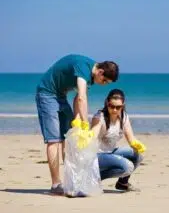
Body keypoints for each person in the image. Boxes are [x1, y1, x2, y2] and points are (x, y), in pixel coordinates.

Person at [35, 54, 119, 194]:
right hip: (46, 94)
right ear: (100, 72)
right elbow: (81, 98)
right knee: (54, 140)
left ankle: (71, 181)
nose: (103, 84)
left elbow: (76, 100)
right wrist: (85, 124)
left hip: (60, 96)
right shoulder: (83, 68)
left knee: (68, 138)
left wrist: (77, 122)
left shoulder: (91, 76)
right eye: (104, 81)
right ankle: (56, 184)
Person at [91, 89, 146, 193]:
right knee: (127, 167)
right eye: (112, 106)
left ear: (123, 105)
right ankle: (94, 178)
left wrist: (137, 144)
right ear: (107, 103)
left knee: (137, 155)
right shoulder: (99, 117)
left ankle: (122, 183)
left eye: (118, 107)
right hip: (97, 155)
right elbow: (94, 131)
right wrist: (88, 135)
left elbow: (131, 139)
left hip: (111, 152)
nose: (115, 110)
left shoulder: (124, 116)